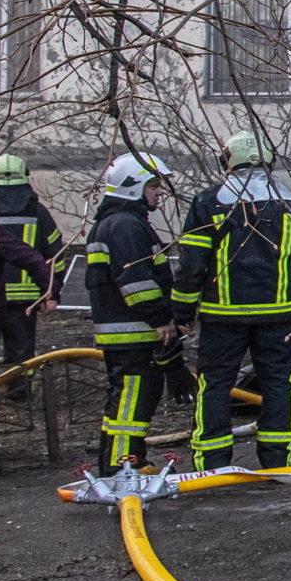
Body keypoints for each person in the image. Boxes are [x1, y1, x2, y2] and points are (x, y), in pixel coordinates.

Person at [173, 132, 291, 471]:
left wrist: (182, 311)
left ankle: (213, 462)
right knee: (278, 384)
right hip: (279, 315)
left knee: (215, 385)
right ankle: (277, 461)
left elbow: (192, 264)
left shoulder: (209, 203)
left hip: (222, 317)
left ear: (228, 162)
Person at [84, 152, 183, 472]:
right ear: (133, 186)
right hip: (134, 332)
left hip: (125, 332)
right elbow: (136, 281)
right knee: (132, 403)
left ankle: (122, 462)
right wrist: (161, 319)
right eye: (153, 185)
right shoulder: (126, 226)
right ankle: (122, 467)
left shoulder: (114, 223)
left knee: (126, 401)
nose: (158, 192)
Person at [0, 154, 61, 403]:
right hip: (27, 299)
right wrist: (51, 291)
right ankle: (19, 394)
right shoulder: (38, 212)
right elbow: (55, 255)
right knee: (22, 351)